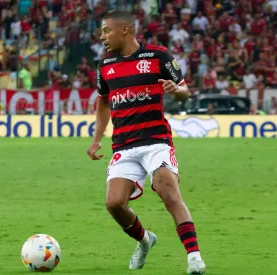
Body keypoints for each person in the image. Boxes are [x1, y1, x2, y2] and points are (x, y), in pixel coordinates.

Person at [86, 11, 206, 275]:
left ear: (125, 30)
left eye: (106, 30)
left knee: (168, 189)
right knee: (114, 204)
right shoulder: (105, 65)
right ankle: (144, 240)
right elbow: (104, 102)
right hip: (124, 145)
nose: (102, 36)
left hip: (156, 141)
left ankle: (194, 257)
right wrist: (97, 139)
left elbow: (186, 90)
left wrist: (178, 91)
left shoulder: (158, 56)